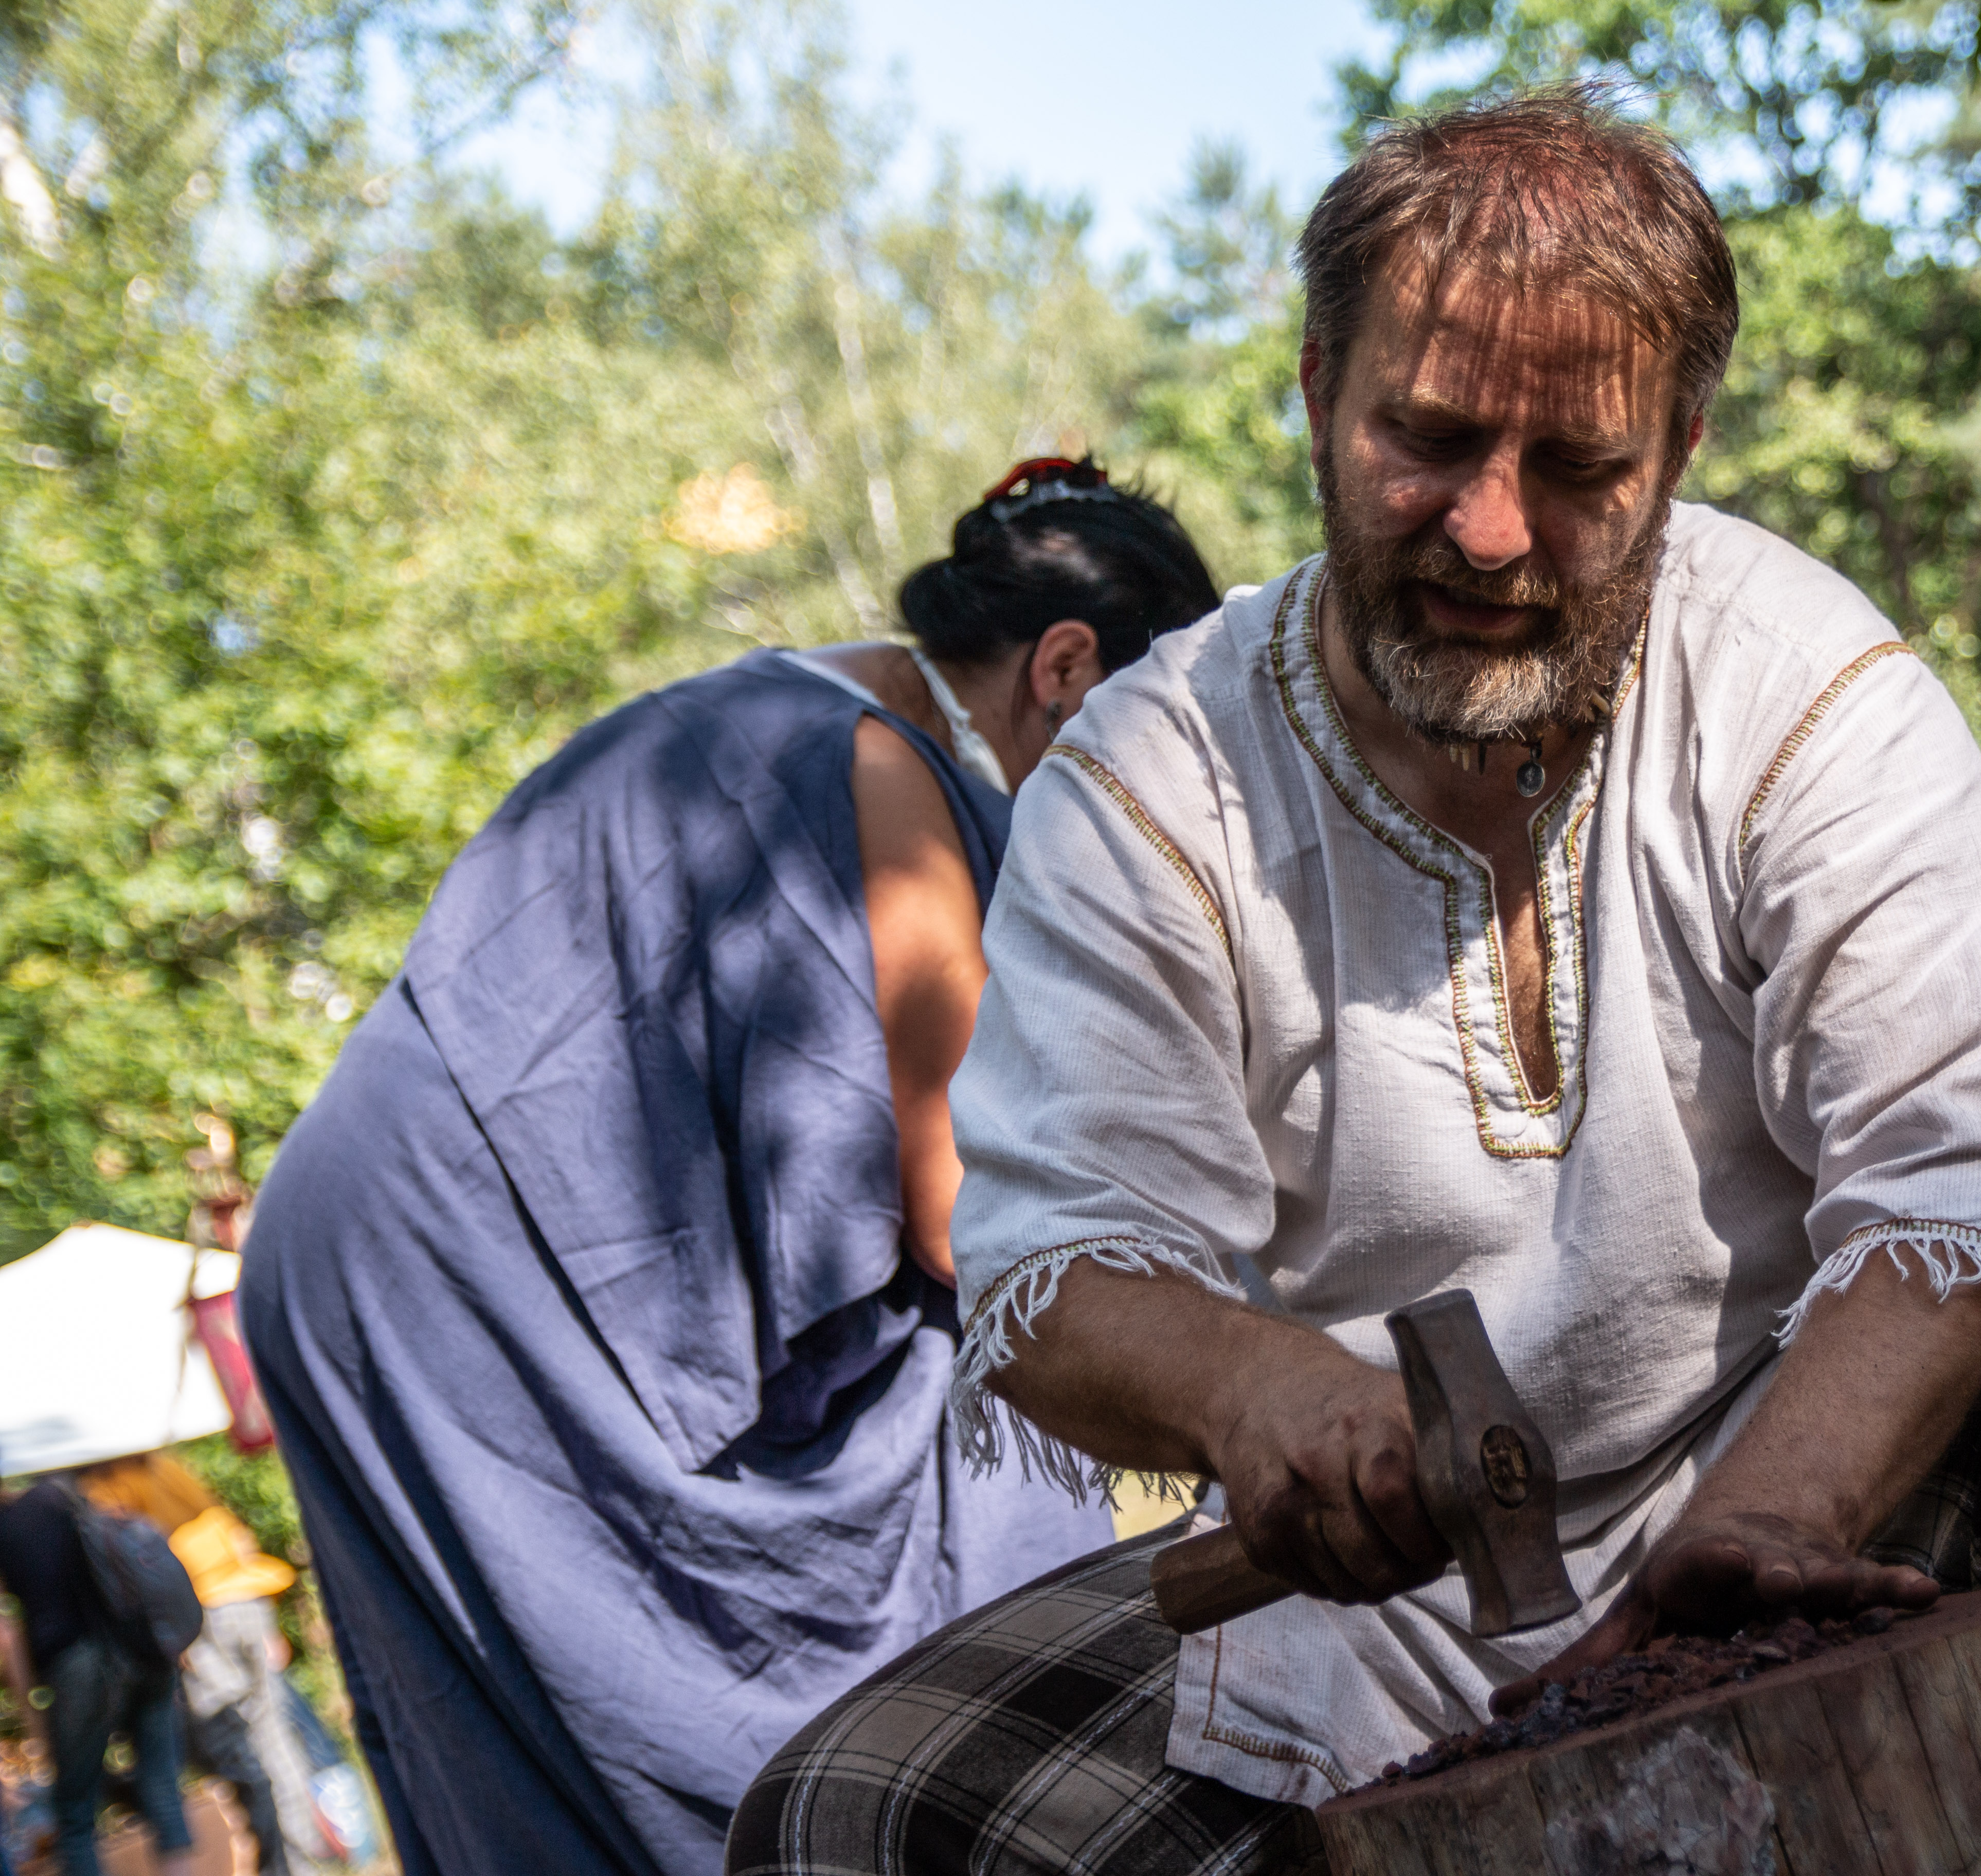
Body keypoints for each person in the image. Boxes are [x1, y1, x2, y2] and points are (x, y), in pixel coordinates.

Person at [729, 91, 1981, 1876]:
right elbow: (1054, 1255)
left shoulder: (1806, 690)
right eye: (1427, 439)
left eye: (1578, 466)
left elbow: (1955, 1173)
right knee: (853, 1810)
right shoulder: (1151, 781)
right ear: (1318, 390)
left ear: (1682, 443)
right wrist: (1258, 1391)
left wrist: (1768, 1525)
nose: (1491, 531)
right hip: (1377, 1593)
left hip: (1825, 1464)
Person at [240, 459, 1217, 1876]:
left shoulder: (782, 705)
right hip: (451, 1264)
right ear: (1064, 670)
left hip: (362, 1246)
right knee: (984, 1403)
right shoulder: (885, 768)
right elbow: (974, 1216)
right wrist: (1231, 1379)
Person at [78, 1454, 305, 1876]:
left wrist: (175, 1633)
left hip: (205, 1614)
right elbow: (229, 1527)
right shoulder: (164, 1462)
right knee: (272, 1738)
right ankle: (299, 1859)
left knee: (233, 1745)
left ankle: (283, 1863)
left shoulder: (106, 1479)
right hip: (247, 1598)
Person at [0, 1482, 195, 1876]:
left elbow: (8, 1636)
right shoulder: (58, 1496)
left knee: (74, 1811)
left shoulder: (7, 1530)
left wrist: (33, 1714)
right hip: (140, 1648)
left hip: (79, 1666)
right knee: (162, 1783)